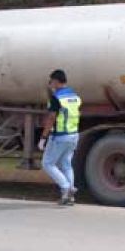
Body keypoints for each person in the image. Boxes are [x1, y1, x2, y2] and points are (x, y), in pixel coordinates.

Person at [38, 69, 82, 206]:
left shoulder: (56, 98)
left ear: (56, 81)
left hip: (60, 136)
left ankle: (66, 188)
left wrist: (43, 138)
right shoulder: (74, 96)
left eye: (51, 81)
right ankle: (69, 197)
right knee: (66, 165)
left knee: (47, 163)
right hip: (73, 134)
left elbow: (51, 118)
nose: (50, 84)